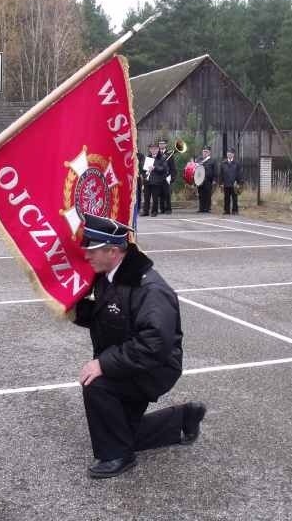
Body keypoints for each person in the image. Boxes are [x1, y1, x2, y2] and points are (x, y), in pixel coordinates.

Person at [73, 213, 206, 479]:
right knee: (124, 431)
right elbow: (112, 317)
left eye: (92, 250)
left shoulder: (151, 289)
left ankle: (117, 456)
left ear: (113, 251)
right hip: (135, 361)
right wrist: (74, 310)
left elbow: (154, 343)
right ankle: (183, 419)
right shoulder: (111, 275)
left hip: (155, 367)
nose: (86, 256)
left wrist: (104, 364)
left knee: (97, 385)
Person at [144, 143, 167, 217]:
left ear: (158, 149)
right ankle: (146, 211)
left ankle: (154, 211)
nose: (153, 150)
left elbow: (164, 168)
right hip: (147, 181)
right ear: (150, 150)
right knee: (146, 197)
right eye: (152, 149)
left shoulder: (162, 158)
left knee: (155, 198)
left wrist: (155, 167)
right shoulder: (147, 157)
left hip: (156, 181)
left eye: (155, 149)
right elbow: (144, 169)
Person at [219, 147, 243, 215]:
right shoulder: (223, 163)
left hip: (234, 184)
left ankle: (235, 211)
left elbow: (239, 174)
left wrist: (239, 183)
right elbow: (221, 174)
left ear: (233, 154)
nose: (229, 155)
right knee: (226, 198)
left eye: (230, 153)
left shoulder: (237, 163)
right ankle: (226, 210)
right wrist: (221, 183)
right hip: (226, 184)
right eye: (228, 153)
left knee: (234, 198)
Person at [157, 138, 176, 214]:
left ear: (165, 145)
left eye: (162, 143)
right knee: (160, 193)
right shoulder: (157, 153)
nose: (161, 145)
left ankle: (168, 209)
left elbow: (173, 167)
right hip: (158, 177)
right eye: (160, 143)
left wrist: (173, 177)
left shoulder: (170, 153)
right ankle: (162, 209)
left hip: (167, 176)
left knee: (167, 193)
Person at [196, 145, 217, 213]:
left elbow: (215, 171)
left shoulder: (212, 160)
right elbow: (195, 169)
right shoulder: (199, 159)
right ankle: (201, 208)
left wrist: (214, 180)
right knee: (201, 194)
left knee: (207, 194)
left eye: (206, 152)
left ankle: (207, 208)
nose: (205, 153)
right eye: (204, 151)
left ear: (209, 152)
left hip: (208, 180)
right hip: (200, 180)